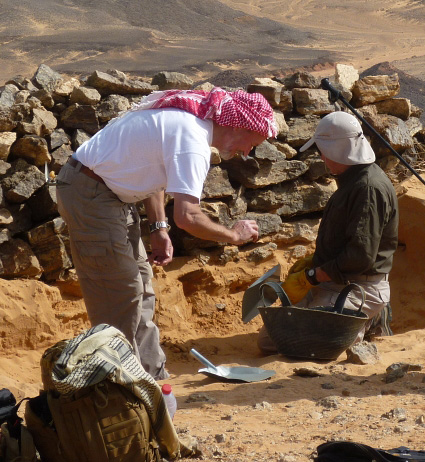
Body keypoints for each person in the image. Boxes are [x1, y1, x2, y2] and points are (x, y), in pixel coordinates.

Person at [56, 87, 278, 380]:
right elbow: (187, 217)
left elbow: (155, 171)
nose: (247, 152)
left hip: (109, 194)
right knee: (120, 293)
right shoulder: (193, 140)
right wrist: (233, 236)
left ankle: (152, 377)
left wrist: (158, 228)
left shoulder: (187, 124)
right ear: (237, 125)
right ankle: (123, 385)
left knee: (143, 287)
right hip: (91, 193)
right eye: (252, 142)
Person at [258, 111, 399, 353]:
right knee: (271, 340)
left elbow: (360, 257)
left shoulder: (367, 188)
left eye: (323, 150)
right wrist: (316, 261)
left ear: (337, 151)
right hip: (336, 281)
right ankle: (358, 318)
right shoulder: (353, 179)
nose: (322, 157)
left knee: (305, 347)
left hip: (359, 286)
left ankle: (364, 319)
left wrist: (312, 276)